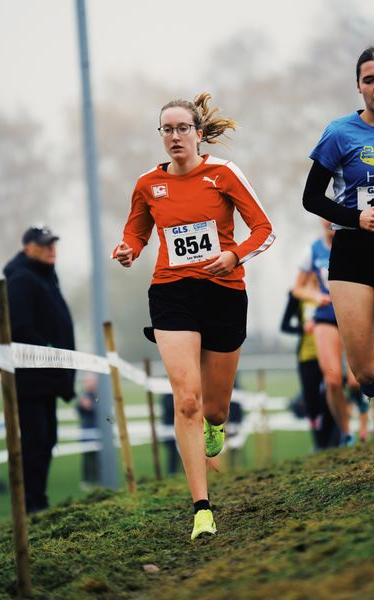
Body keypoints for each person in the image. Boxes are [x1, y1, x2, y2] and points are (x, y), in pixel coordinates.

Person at [113, 93, 275, 538]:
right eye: (166, 129)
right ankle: (202, 507)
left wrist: (234, 256)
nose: (174, 136)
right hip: (172, 292)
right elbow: (137, 227)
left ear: (199, 135)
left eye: (182, 128)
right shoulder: (148, 183)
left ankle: (215, 427)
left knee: (216, 408)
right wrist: (130, 248)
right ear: (161, 137)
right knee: (186, 398)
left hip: (223, 291)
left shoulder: (223, 174)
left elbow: (264, 229)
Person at [302, 46, 374, 483]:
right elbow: (312, 198)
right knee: (364, 371)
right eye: (370, 79)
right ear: (359, 85)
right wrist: (355, 217)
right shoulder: (340, 133)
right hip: (354, 253)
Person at [3, 226, 76, 513]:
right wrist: (49, 350)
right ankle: (31, 504)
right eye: (45, 244)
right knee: (36, 441)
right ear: (28, 248)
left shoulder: (45, 277)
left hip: (46, 376)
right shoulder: (22, 279)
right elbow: (19, 327)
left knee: (46, 439)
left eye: (53, 243)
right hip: (31, 377)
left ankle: (38, 500)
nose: (51, 249)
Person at [293, 220, 360, 447]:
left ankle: (360, 399)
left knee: (355, 381)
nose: (331, 224)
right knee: (331, 380)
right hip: (326, 318)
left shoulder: (355, 246)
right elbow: (297, 288)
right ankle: (346, 432)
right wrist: (315, 297)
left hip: (352, 314)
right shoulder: (313, 251)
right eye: (326, 220)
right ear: (322, 222)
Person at [280, 288, 339, 450]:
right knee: (312, 402)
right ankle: (319, 443)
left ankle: (333, 441)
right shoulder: (298, 295)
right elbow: (284, 326)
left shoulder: (331, 290)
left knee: (331, 396)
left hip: (331, 353)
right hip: (307, 356)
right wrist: (302, 328)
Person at [76, 372, 98, 490]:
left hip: (99, 432)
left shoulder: (99, 396)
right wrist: (83, 405)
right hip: (87, 431)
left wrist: (92, 407)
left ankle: (98, 479)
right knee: (87, 458)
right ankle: (86, 480)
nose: (89, 383)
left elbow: (105, 415)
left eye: (91, 380)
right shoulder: (84, 396)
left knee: (98, 458)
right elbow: (79, 411)